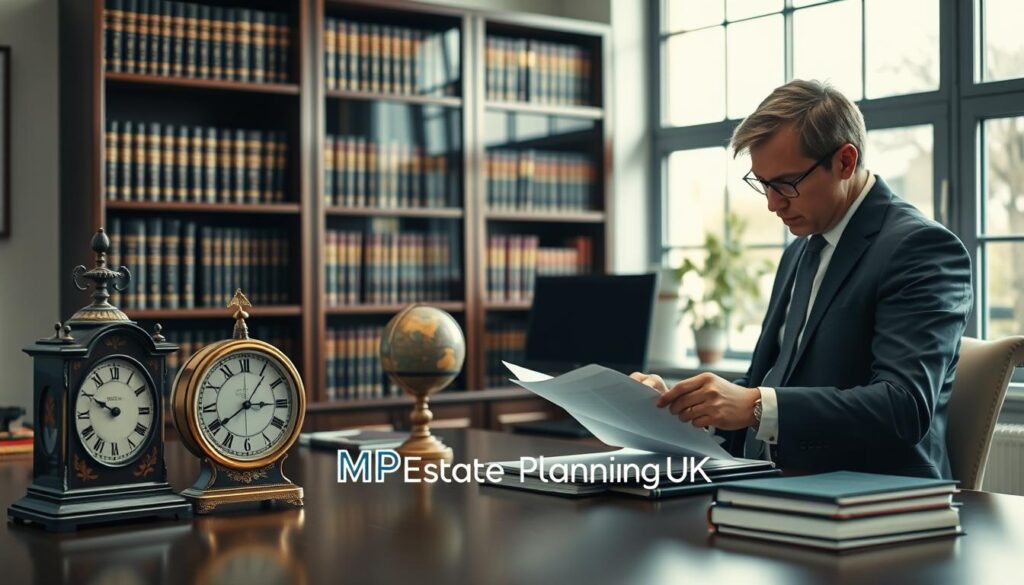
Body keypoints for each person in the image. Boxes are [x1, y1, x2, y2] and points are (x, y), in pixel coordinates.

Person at [632, 79, 973, 479]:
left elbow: (903, 408)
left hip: (874, 500)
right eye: (763, 184)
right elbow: (770, 383)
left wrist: (755, 404)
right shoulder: (802, 248)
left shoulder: (921, 248)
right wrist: (683, 406)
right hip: (778, 485)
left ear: (845, 161)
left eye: (786, 184)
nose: (774, 204)